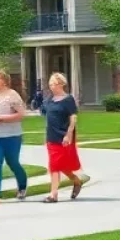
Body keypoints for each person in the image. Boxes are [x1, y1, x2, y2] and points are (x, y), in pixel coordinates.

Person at [0, 68, 29, 204]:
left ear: (5, 80)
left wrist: (1, 118)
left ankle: (22, 186)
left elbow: (21, 114)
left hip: (12, 136)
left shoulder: (12, 95)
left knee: (13, 163)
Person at [43, 71, 83, 203]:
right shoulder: (49, 99)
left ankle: (56, 193)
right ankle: (72, 183)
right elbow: (45, 113)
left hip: (64, 137)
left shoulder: (68, 99)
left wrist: (68, 134)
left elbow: (73, 118)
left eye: (53, 84)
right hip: (51, 137)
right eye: (50, 84)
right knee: (57, 165)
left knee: (59, 166)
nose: (51, 87)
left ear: (60, 84)